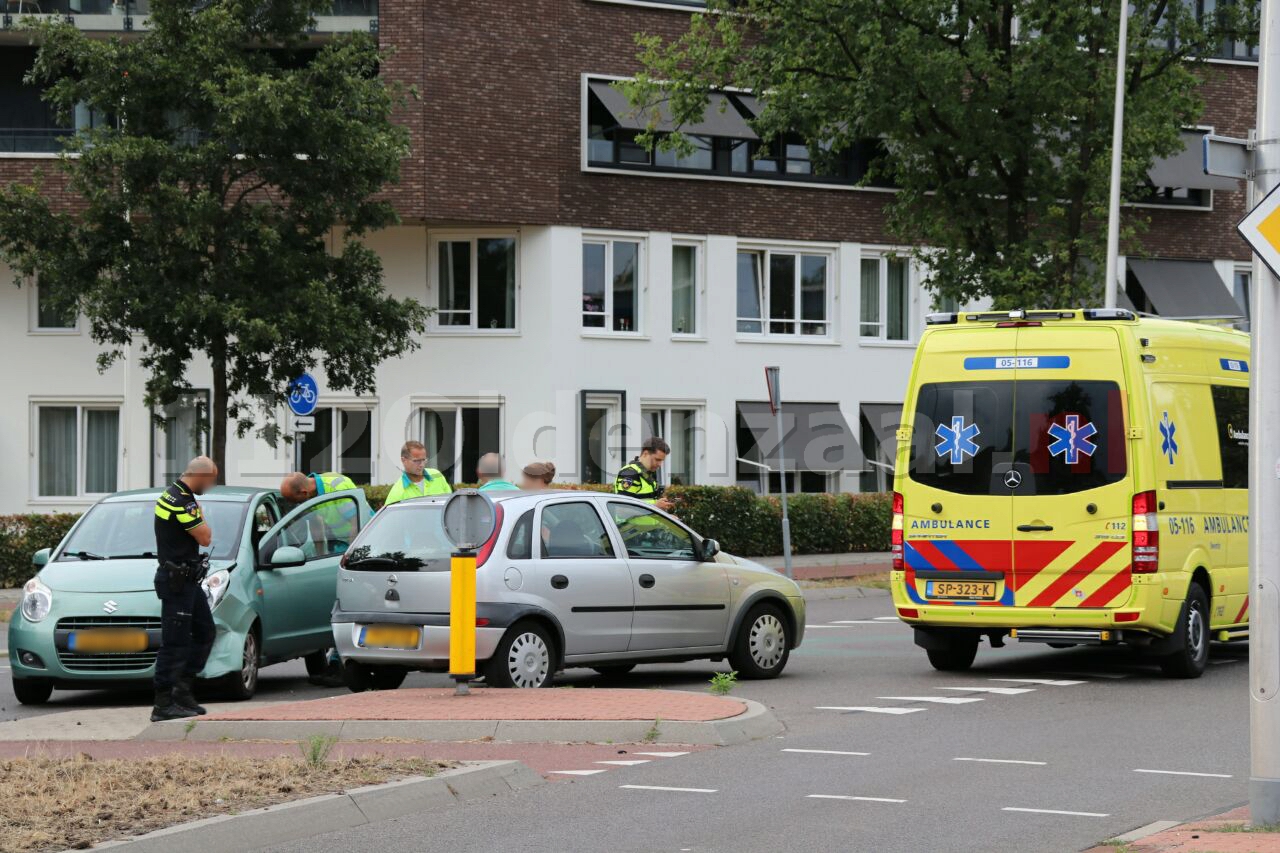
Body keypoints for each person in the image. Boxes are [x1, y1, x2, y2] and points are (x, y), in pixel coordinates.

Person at [151, 455, 219, 722]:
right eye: (211, 481)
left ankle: (183, 690)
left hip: (186, 580)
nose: (210, 486)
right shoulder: (183, 501)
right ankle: (163, 703)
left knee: (205, 631)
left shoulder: (172, 495)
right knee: (174, 643)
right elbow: (205, 537)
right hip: (176, 581)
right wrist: (199, 511)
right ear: (200, 476)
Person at [383, 440, 451, 507]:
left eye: (423, 460)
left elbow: (451, 505)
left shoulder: (437, 476)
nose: (421, 465)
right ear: (403, 460)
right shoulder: (397, 492)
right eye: (416, 461)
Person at [615, 436, 674, 511]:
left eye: (662, 461)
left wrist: (666, 518)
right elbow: (622, 510)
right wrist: (655, 505)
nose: (660, 464)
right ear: (645, 454)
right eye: (657, 459)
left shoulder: (647, 473)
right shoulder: (630, 474)